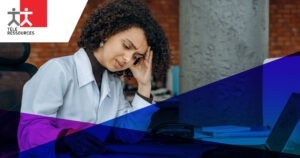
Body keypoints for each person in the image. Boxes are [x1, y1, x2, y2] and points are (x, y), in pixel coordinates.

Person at [18, 0, 170, 157]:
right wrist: (64, 138)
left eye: (136, 57)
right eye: (126, 46)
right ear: (106, 33)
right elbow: (29, 131)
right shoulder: (59, 70)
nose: (127, 59)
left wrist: (144, 85)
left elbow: (128, 135)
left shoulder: (113, 84)